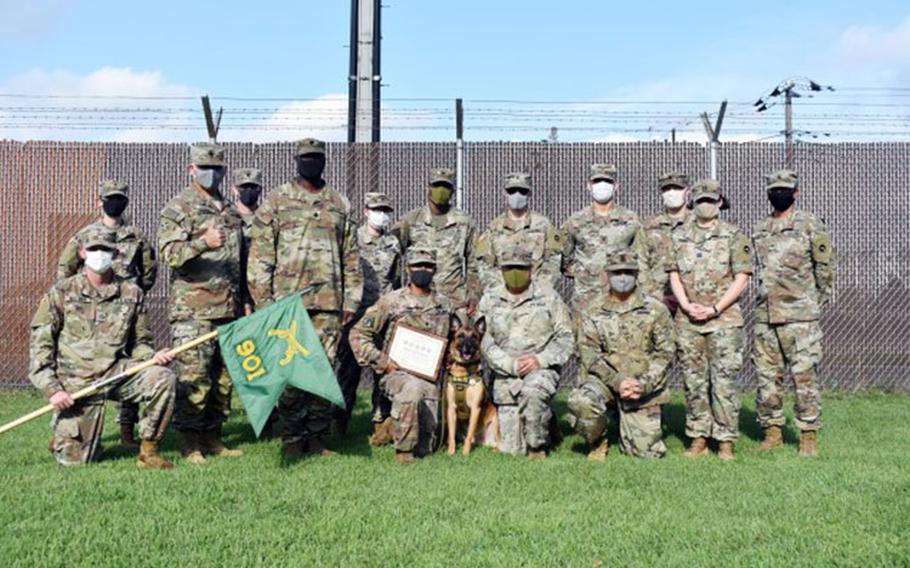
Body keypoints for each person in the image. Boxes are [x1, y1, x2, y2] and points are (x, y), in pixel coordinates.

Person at [248, 138, 363, 459]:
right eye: (305, 158)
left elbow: (351, 256)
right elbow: (260, 257)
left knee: (322, 372)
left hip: (329, 305)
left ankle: (317, 438)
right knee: (291, 372)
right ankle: (293, 437)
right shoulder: (277, 201)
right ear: (296, 161)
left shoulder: (339, 203)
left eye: (316, 158)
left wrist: (351, 301)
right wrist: (264, 302)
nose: (310, 163)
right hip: (288, 305)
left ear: (325, 161)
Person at [30, 233, 176, 469]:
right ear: (82, 253)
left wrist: (153, 358)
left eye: (105, 250)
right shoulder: (61, 292)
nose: (100, 255)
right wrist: (53, 389)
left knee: (162, 378)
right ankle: (65, 435)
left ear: (116, 254)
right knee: (75, 461)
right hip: (77, 382)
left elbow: (140, 342)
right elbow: (40, 346)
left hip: (116, 372)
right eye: (93, 249)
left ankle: (149, 452)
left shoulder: (131, 293)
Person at [158, 142, 244, 464]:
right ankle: (189, 443)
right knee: (194, 378)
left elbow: (239, 258)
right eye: (204, 168)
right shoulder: (179, 207)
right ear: (191, 169)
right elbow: (169, 254)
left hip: (228, 307)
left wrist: (244, 300)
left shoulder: (229, 209)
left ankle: (213, 437)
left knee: (223, 379)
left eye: (217, 169)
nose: (211, 174)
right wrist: (202, 243)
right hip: (193, 310)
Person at [57, 179, 158, 450]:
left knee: (134, 366)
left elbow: (149, 271)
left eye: (120, 198)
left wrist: (132, 294)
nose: (115, 202)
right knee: (83, 373)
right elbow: (64, 273)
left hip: (126, 312)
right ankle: (65, 429)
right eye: (110, 197)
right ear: (99, 201)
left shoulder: (136, 236)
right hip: (92, 317)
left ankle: (127, 430)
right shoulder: (84, 236)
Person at [752, 169, 835, 457]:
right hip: (766, 317)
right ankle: (772, 433)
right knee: (767, 380)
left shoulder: (811, 225)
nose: (779, 193)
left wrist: (813, 305)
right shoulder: (760, 228)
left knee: (804, 380)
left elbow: (825, 270)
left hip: (801, 319)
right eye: (774, 189)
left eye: (784, 189)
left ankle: (808, 438)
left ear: (796, 192)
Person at [668, 179, 751, 461]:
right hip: (689, 320)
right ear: (693, 203)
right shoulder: (678, 236)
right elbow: (674, 274)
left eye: (710, 200)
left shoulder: (734, 236)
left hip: (724, 321)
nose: (705, 205)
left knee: (724, 382)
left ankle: (725, 440)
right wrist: (686, 304)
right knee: (694, 382)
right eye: (700, 200)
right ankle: (699, 437)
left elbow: (742, 278)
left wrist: (715, 308)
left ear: (720, 203)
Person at [348, 247, 454, 465]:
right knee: (411, 391)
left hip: (431, 379)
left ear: (435, 269)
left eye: (427, 266)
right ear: (407, 268)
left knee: (428, 447)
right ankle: (403, 453)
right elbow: (358, 335)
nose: (422, 270)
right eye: (417, 266)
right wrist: (383, 362)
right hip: (398, 375)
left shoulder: (445, 304)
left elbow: (455, 339)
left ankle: (391, 425)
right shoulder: (390, 301)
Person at [568, 249, 675, 459]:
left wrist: (643, 384)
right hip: (605, 383)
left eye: (628, 272)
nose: (623, 277)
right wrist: (617, 381)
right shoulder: (592, 310)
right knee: (580, 401)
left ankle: (630, 421)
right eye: (617, 273)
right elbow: (589, 353)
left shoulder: (655, 309)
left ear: (637, 275)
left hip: (641, 385)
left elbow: (665, 353)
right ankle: (598, 440)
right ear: (607, 275)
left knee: (646, 454)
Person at [477, 246, 574, 459]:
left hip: (540, 372)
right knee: (511, 451)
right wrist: (509, 365)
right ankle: (547, 420)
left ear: (531, 269)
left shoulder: (549, 297)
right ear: (501, 270)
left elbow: (566, 338)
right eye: (509, 268)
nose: (515, 272)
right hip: (505, 376)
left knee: (532, 395)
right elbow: (484, 340)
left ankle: (537, 449)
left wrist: (540, 360)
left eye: (520, 268)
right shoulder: (490, 298)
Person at [336, 192, 401, 442]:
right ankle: (340, 422)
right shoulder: (354, 240)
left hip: (382, 315)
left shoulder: (393, 244)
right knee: (348, 370)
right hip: (354, 315)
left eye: (385, 210)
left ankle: (380, 423)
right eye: (376, 209)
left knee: (382, 368)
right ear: (365, 211)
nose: (381, 214)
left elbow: (394, 280)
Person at [394, 167, 480, 312]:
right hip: (418, 303)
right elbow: (393, 254)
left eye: (446, 186)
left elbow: (475, 263)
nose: (441, 190)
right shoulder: (411, 220)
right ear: (428, 187)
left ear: (452, 190)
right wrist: (396, 291)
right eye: (436, 185)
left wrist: (474, 296)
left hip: (455, 302)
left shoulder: (464, 222)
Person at [475, 172, 562, 291]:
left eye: (522, 191)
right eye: (512, 191)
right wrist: (501, 288)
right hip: (502, 295)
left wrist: (539, 287)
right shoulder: (493, 228)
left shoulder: (544, 226)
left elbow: (554, 260)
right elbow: (484, 264)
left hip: (536, 296)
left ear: (529, 193)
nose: (517, 195)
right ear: (505, 193)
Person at [643, 172, 691, 313]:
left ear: (687, 192)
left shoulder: (698, 223)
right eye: (666, 189)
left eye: (677, 189)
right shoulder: (649, 226)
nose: (671, 193)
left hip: (692, 298)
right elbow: (640, 261)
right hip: (658, 297)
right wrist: (652, 294)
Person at [231, 167, 264, 316]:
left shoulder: (268, 219)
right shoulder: (226, 218)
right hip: (231, 298)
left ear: (260, 189)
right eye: (244, 187)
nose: (248, 191)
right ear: (235, 190)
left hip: (260, 296)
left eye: (253, 187)